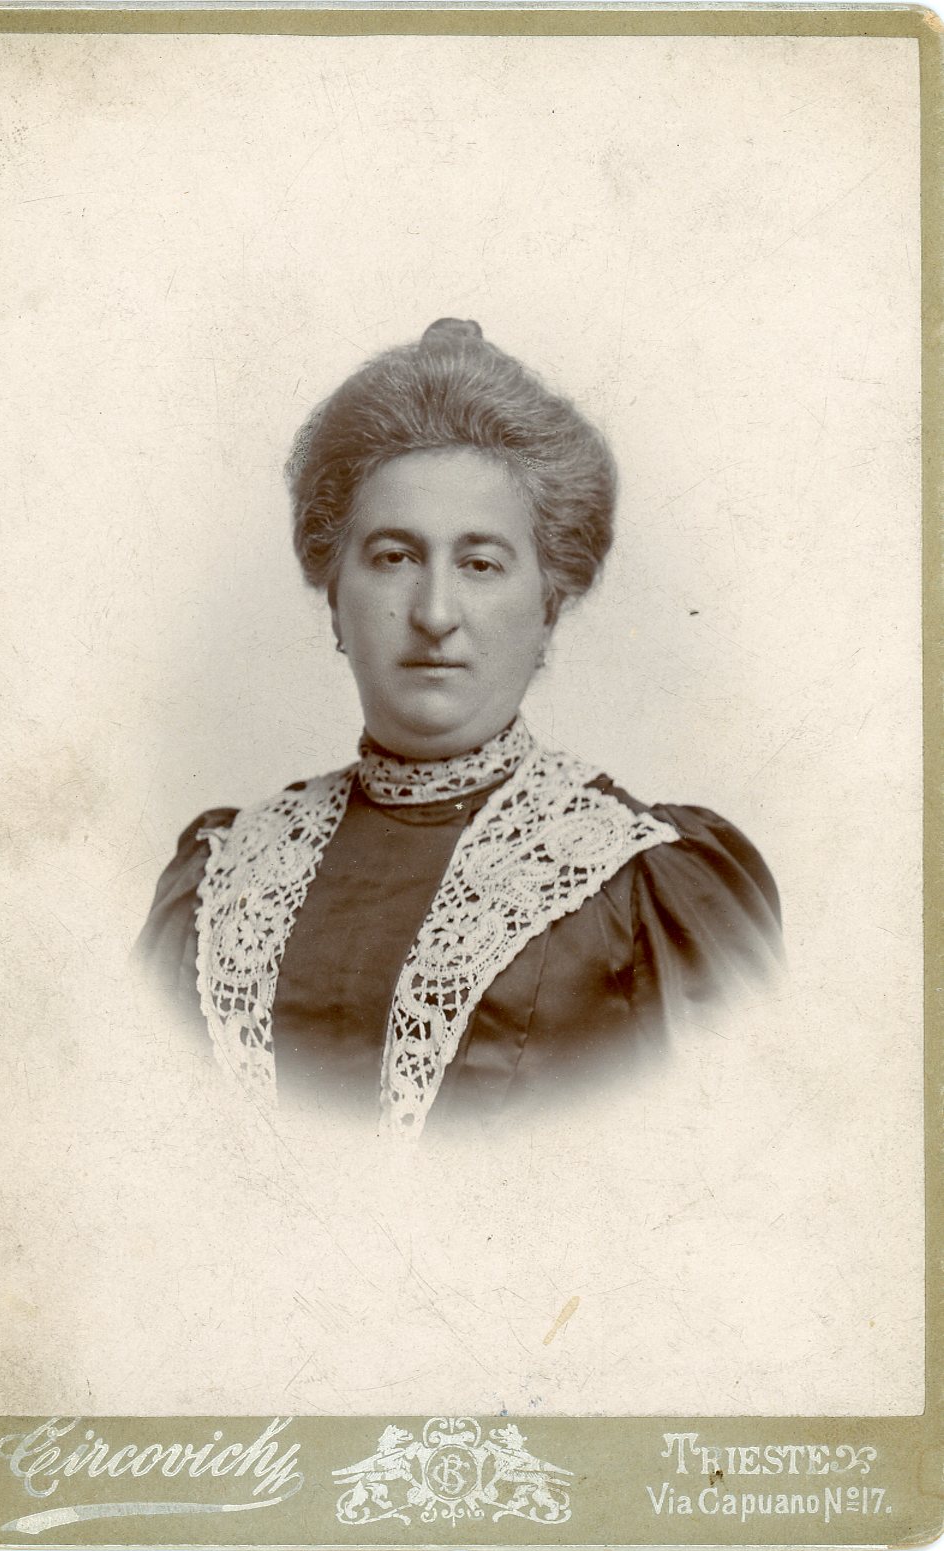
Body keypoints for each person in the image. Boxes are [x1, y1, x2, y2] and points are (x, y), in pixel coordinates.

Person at [137, 318, 782, 1140]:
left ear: (548, 607)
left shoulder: (646, 886)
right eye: (394, 557)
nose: (436, 613)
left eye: (480, 564)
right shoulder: (220, 880)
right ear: (334, 599)